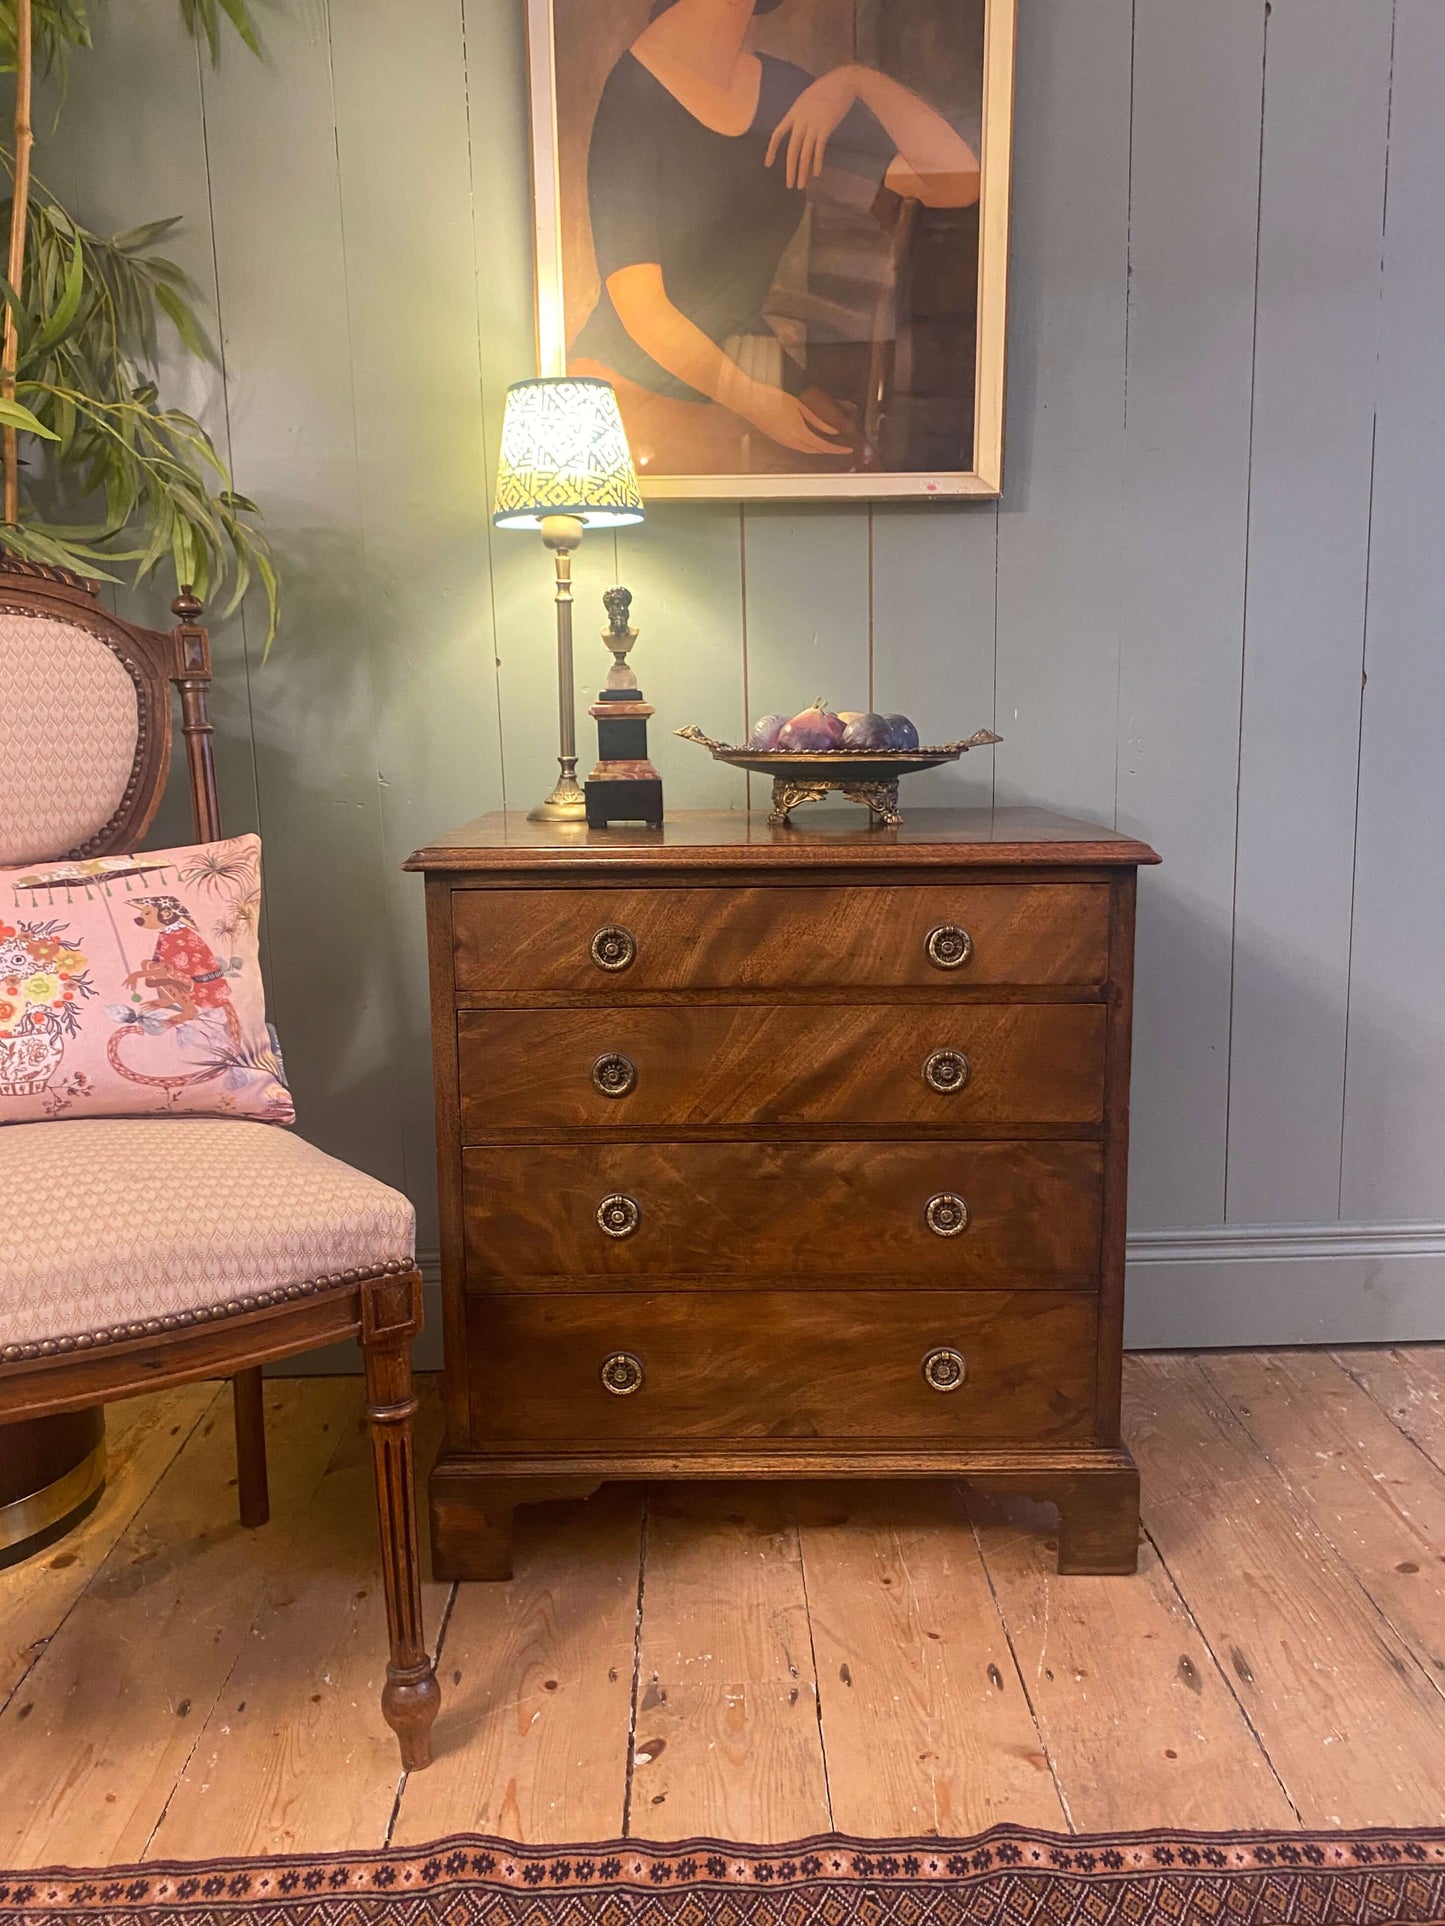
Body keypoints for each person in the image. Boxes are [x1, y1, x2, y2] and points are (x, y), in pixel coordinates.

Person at [568, 0, 979, 470]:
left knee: (856, 464)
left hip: (745, 352)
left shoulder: (787, 93)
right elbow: (640, 306)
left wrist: (858, 81)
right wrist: (752, 402)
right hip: (634, 371)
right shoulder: (634, 94)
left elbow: (959, 183)